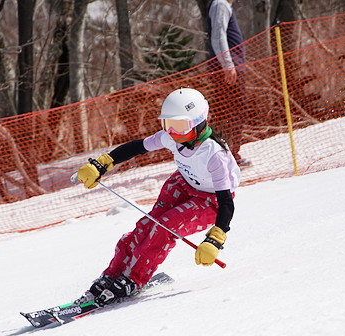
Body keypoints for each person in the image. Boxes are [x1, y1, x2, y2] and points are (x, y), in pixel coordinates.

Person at [74, 88, 241, 307]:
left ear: (198, 123)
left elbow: (226, 201)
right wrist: (103, 163)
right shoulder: (173, 138)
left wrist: (215, 239)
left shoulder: (214, 154)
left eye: (179, 126)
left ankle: (134, 278)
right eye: (166, 125)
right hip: (183, 182)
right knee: (146, 225)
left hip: (211, 201)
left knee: (164, 227)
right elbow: (137, 146)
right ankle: (113, 274)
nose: (171, 132)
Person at [206, 0, 250, 166]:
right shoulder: (220, 4)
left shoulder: (222, 6)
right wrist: (228, 65)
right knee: (233, 112)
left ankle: (223, 156)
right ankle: (229, 157)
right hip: (228, 71)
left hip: (230, 68)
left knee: (229, 111)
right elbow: (218, 36)